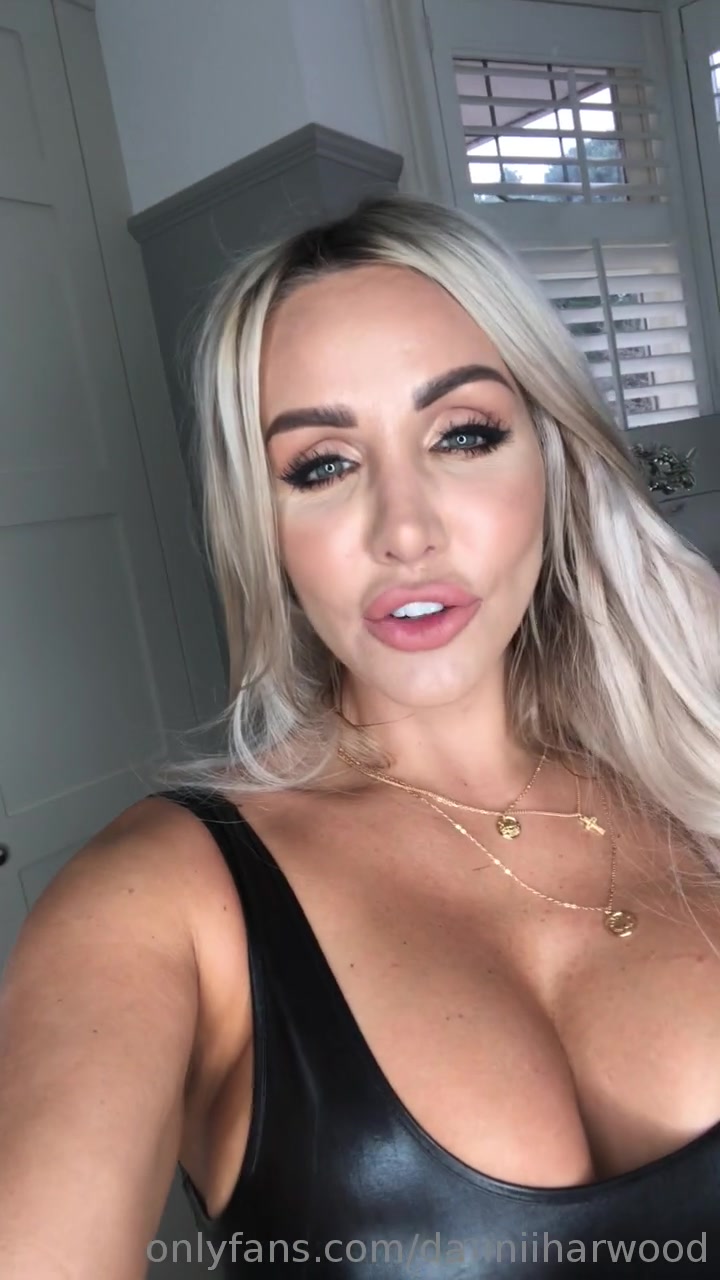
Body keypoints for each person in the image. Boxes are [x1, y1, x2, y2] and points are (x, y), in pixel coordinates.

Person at [2, 193, 720, 1278]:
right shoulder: (160, 901)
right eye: (322, 465)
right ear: (265, 527)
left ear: (554, 459)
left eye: (463, 435)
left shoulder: (694, 778)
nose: (404, 529)